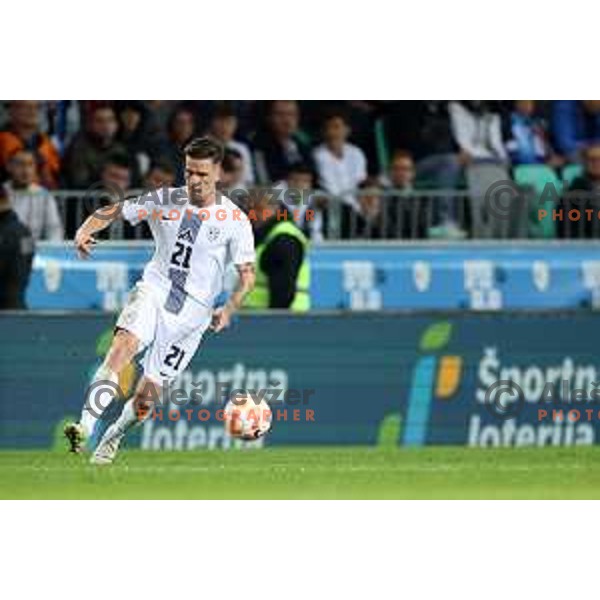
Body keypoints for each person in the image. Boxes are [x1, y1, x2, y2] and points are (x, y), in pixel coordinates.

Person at [63, 137, 256, 463]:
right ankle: (84, 427)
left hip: (192, 319)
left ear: (218, 173)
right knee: (123, 346)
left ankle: (113, 436)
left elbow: (247, 276)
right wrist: (84, 229)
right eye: (189, 172)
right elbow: (114, 210)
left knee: (144, 403)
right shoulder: (166, 199)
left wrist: (229, 308)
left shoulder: (235, 221)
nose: (194, 181)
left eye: (203, 175)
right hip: (154, 290)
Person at [243, 190, 310, 310]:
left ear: (276, 209)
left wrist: (275, 322)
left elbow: (284, 289)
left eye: (259, 209)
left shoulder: (283, 239)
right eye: (249, 209)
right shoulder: (265, 237)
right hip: (263, 319)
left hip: (281, 321)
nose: (253, 214)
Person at [63, 105, 130, 189]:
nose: (106, 125)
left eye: (110, 120)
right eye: (99, 121)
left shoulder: (122, 148)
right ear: (90, 125)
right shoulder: (78, 148)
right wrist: (105, 180)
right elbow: (78, 181)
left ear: (116, 124)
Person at [312, 110, 368, 211]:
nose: (331, 132)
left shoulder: (357, 154)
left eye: (336, 127)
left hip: (356, 210)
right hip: (331, 209)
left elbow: (361, 183)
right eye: (328, 128)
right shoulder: (317, 155)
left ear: (347, 130)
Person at [4, 149, 64, 241]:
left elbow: (54, 229)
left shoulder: (44, 196)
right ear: (9, 166)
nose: (26, 170)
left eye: (30, 165)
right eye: (20, 164)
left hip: (35, 249)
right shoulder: (2, 193)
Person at [0, 101, 61, 189]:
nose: (32, 111)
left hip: (44, 199)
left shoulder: (46, 142)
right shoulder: (3, 141)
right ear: (11, 110)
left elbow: (55, 179)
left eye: (36, 107)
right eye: (25, 107)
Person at [253, 101, 313, 183]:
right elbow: (264, 183)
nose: (287, 120)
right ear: (269, 117)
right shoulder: (259, 146)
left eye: (292, 115)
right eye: (280, 114)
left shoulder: (303, 145)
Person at [0, 186, 35, 309]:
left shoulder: (4, 234)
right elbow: (28, 263)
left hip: (4, 309)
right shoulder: (26, 231)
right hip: (19, 305)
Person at [557, 143, 600, 239]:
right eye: (592, 159)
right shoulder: (573, 192)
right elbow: (566, 229)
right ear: (585, 163)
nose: (597, 163)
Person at [207, 102, 255, 185]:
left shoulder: (242, 148)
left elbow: (249, 180)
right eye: (221, 122)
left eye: (229, 122)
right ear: (213, 123)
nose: (224, 127)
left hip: (240, 194)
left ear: (235, 124)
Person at [505, 101, 560, 166]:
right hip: (527, 164)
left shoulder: (538, 122)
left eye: (531, 102)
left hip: (542, 161)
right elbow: (523, 157)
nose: (527, 106)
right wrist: (546, 164)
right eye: (523, 102)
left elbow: (548, 150)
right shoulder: (510, 122)